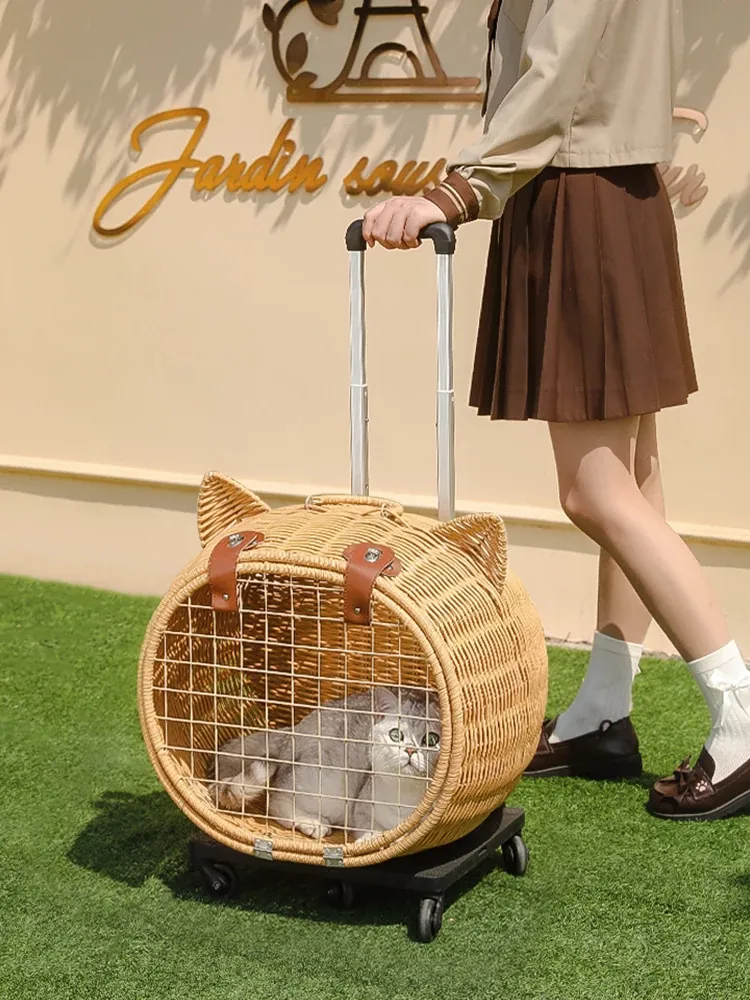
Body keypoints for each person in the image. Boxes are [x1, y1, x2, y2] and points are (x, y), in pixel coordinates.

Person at [362, 0, 750, 821]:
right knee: (633, 481)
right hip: (615, 193)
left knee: (595, 492)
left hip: (580, 202)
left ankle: (742, 712)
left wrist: (460, 189)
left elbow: (555, 72)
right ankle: (604, 711)